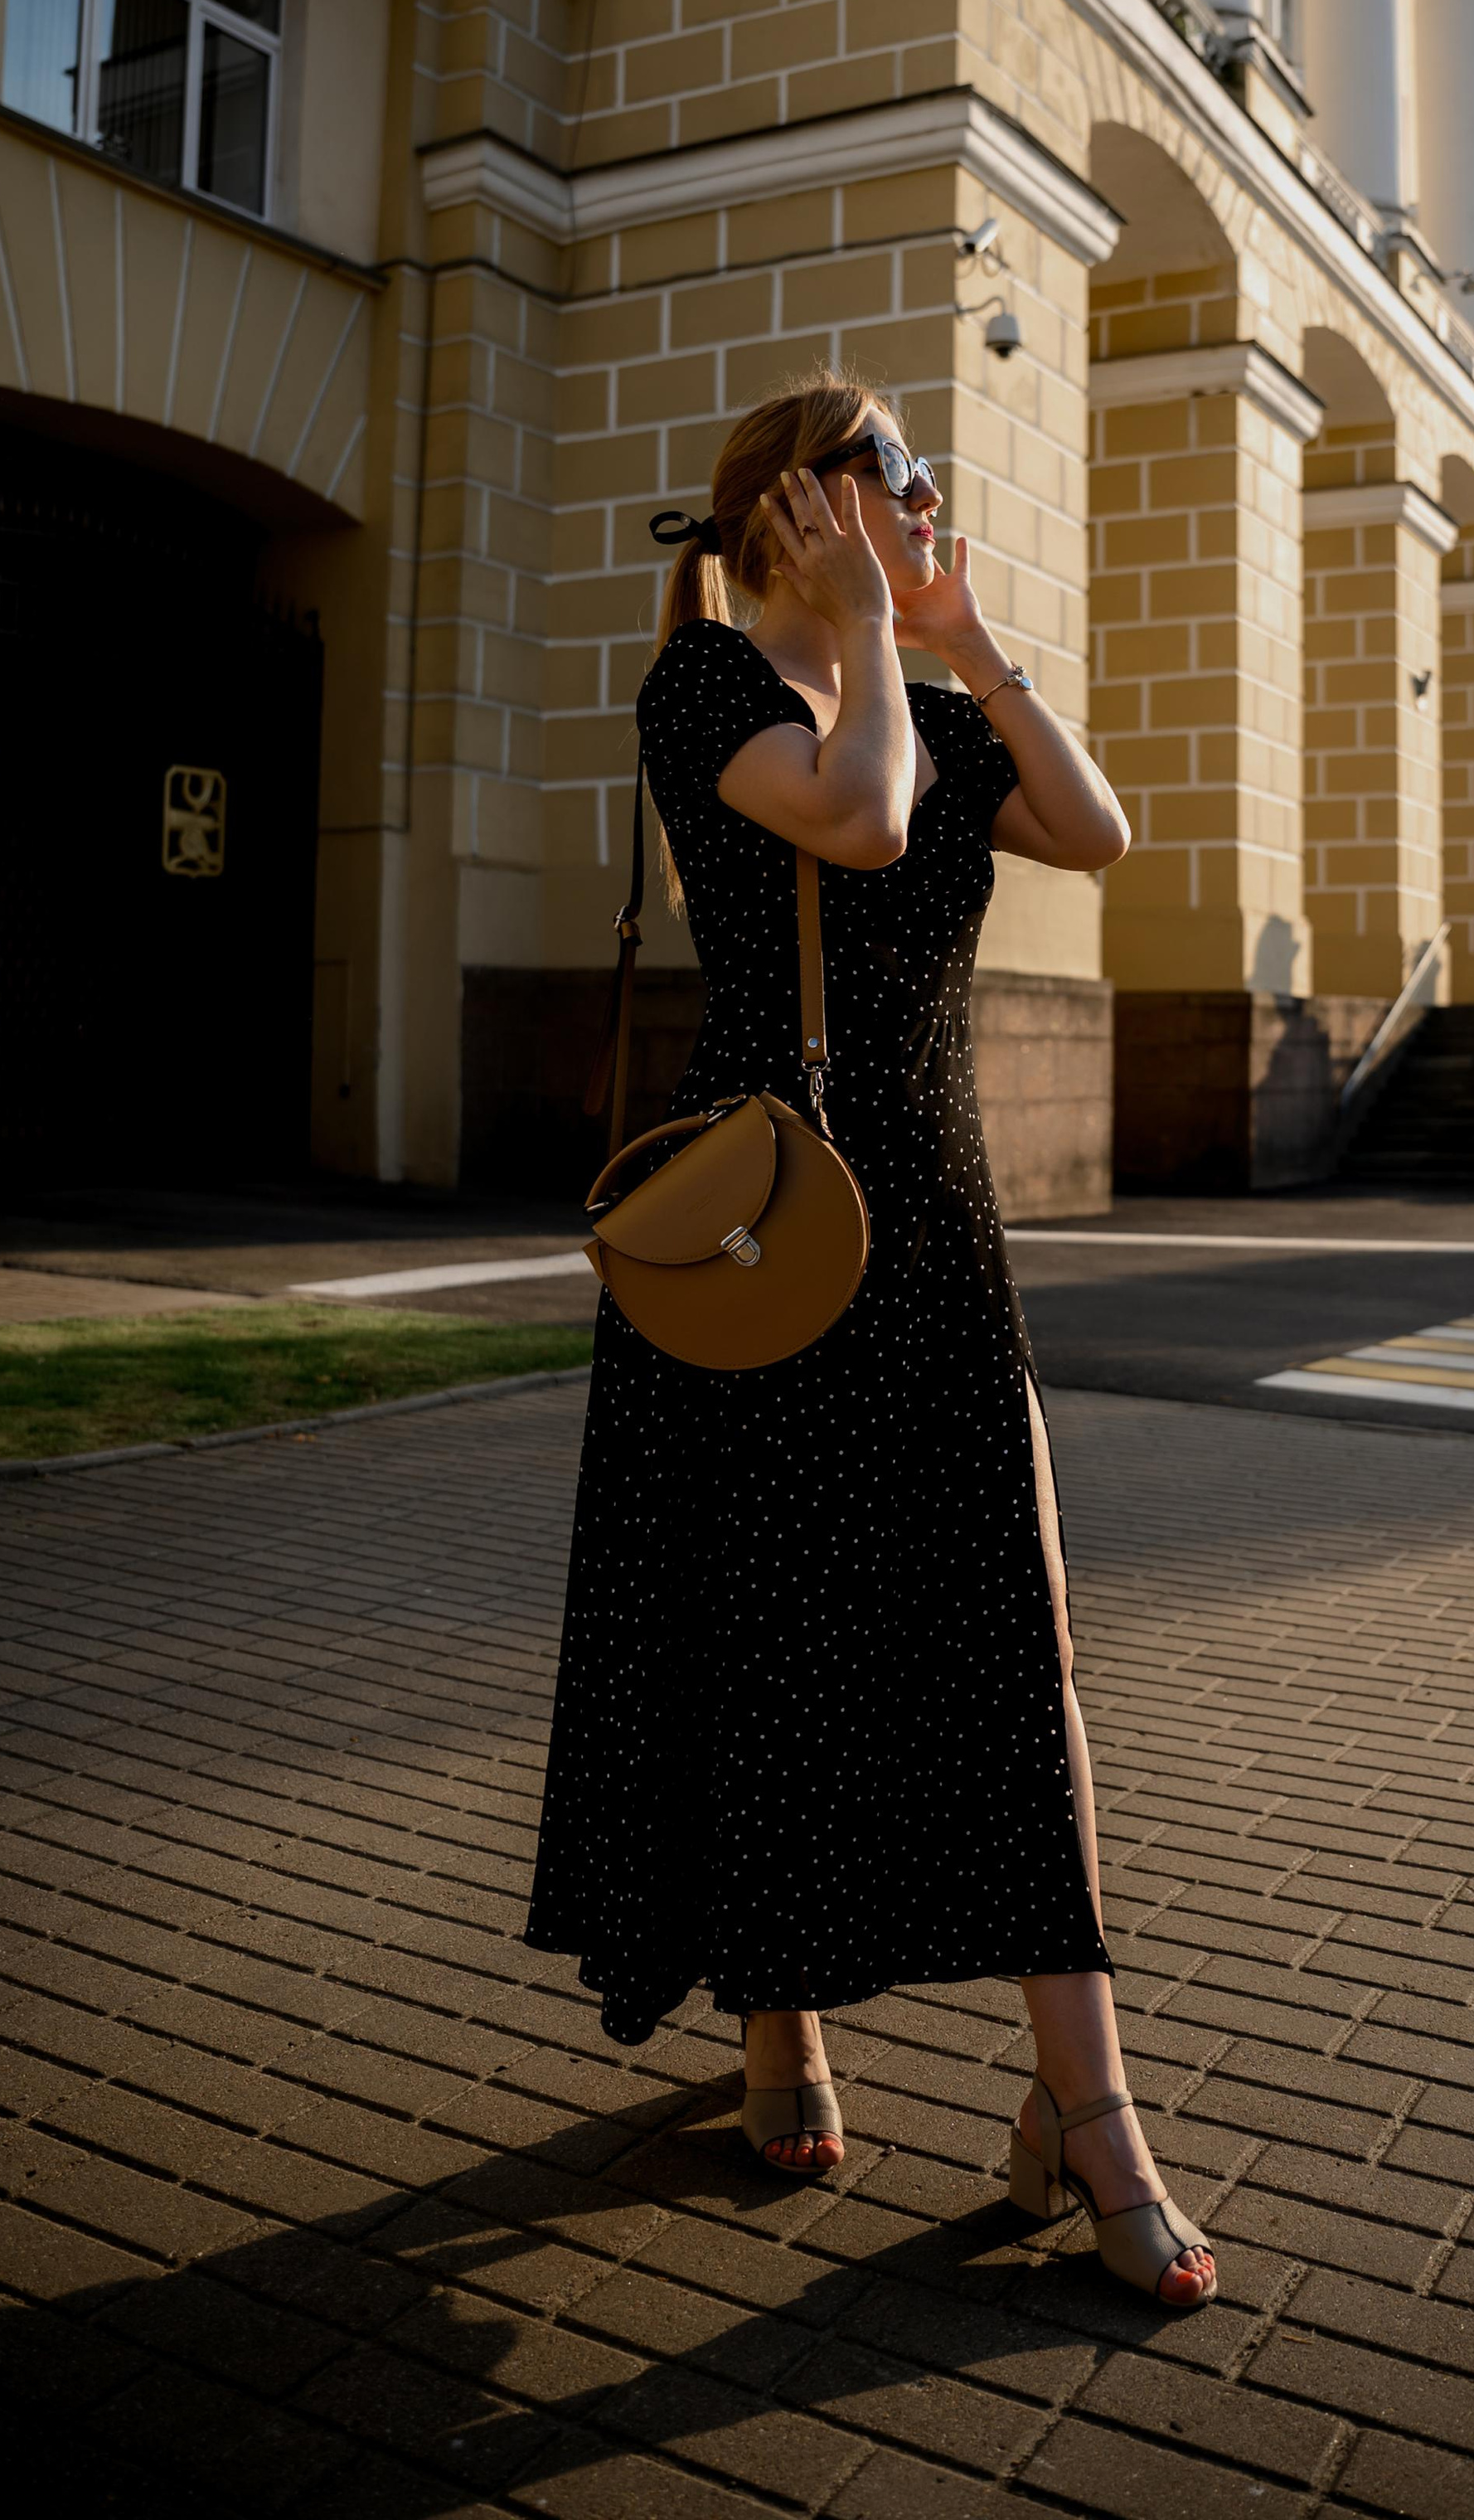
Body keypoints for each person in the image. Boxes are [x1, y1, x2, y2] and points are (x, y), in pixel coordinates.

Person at [525, 369, 1217, 2309]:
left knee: (1019, 1639)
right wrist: (847, 640)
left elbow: (1094, 825)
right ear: (795, 503)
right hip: (769, 1220)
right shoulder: (706, 686)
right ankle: (780, 2021)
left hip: (932, 1213)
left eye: (919, 472)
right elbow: (856, 816)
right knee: (773, 1622)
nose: (925, 490)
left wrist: (958, 635)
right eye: (893, 469)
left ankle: (1083, 2099)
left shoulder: (919, 692)